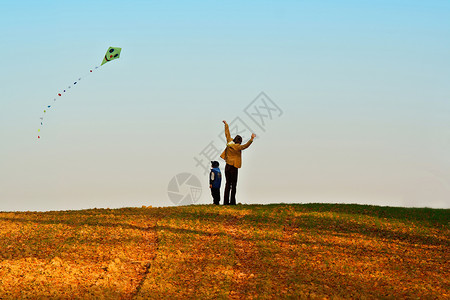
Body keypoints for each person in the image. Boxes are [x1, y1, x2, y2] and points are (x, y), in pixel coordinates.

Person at [220, 120, 256, 205]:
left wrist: (226, 125)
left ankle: (225, 202)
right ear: (239, 141)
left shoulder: (229, 143)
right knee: (234, 184)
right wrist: (251, 139)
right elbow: (245, 146)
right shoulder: (238, 147)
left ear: (234, 140)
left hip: (227, 166)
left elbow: (227, 134)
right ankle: (232, 202)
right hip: (234, 167)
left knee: (227, 184)